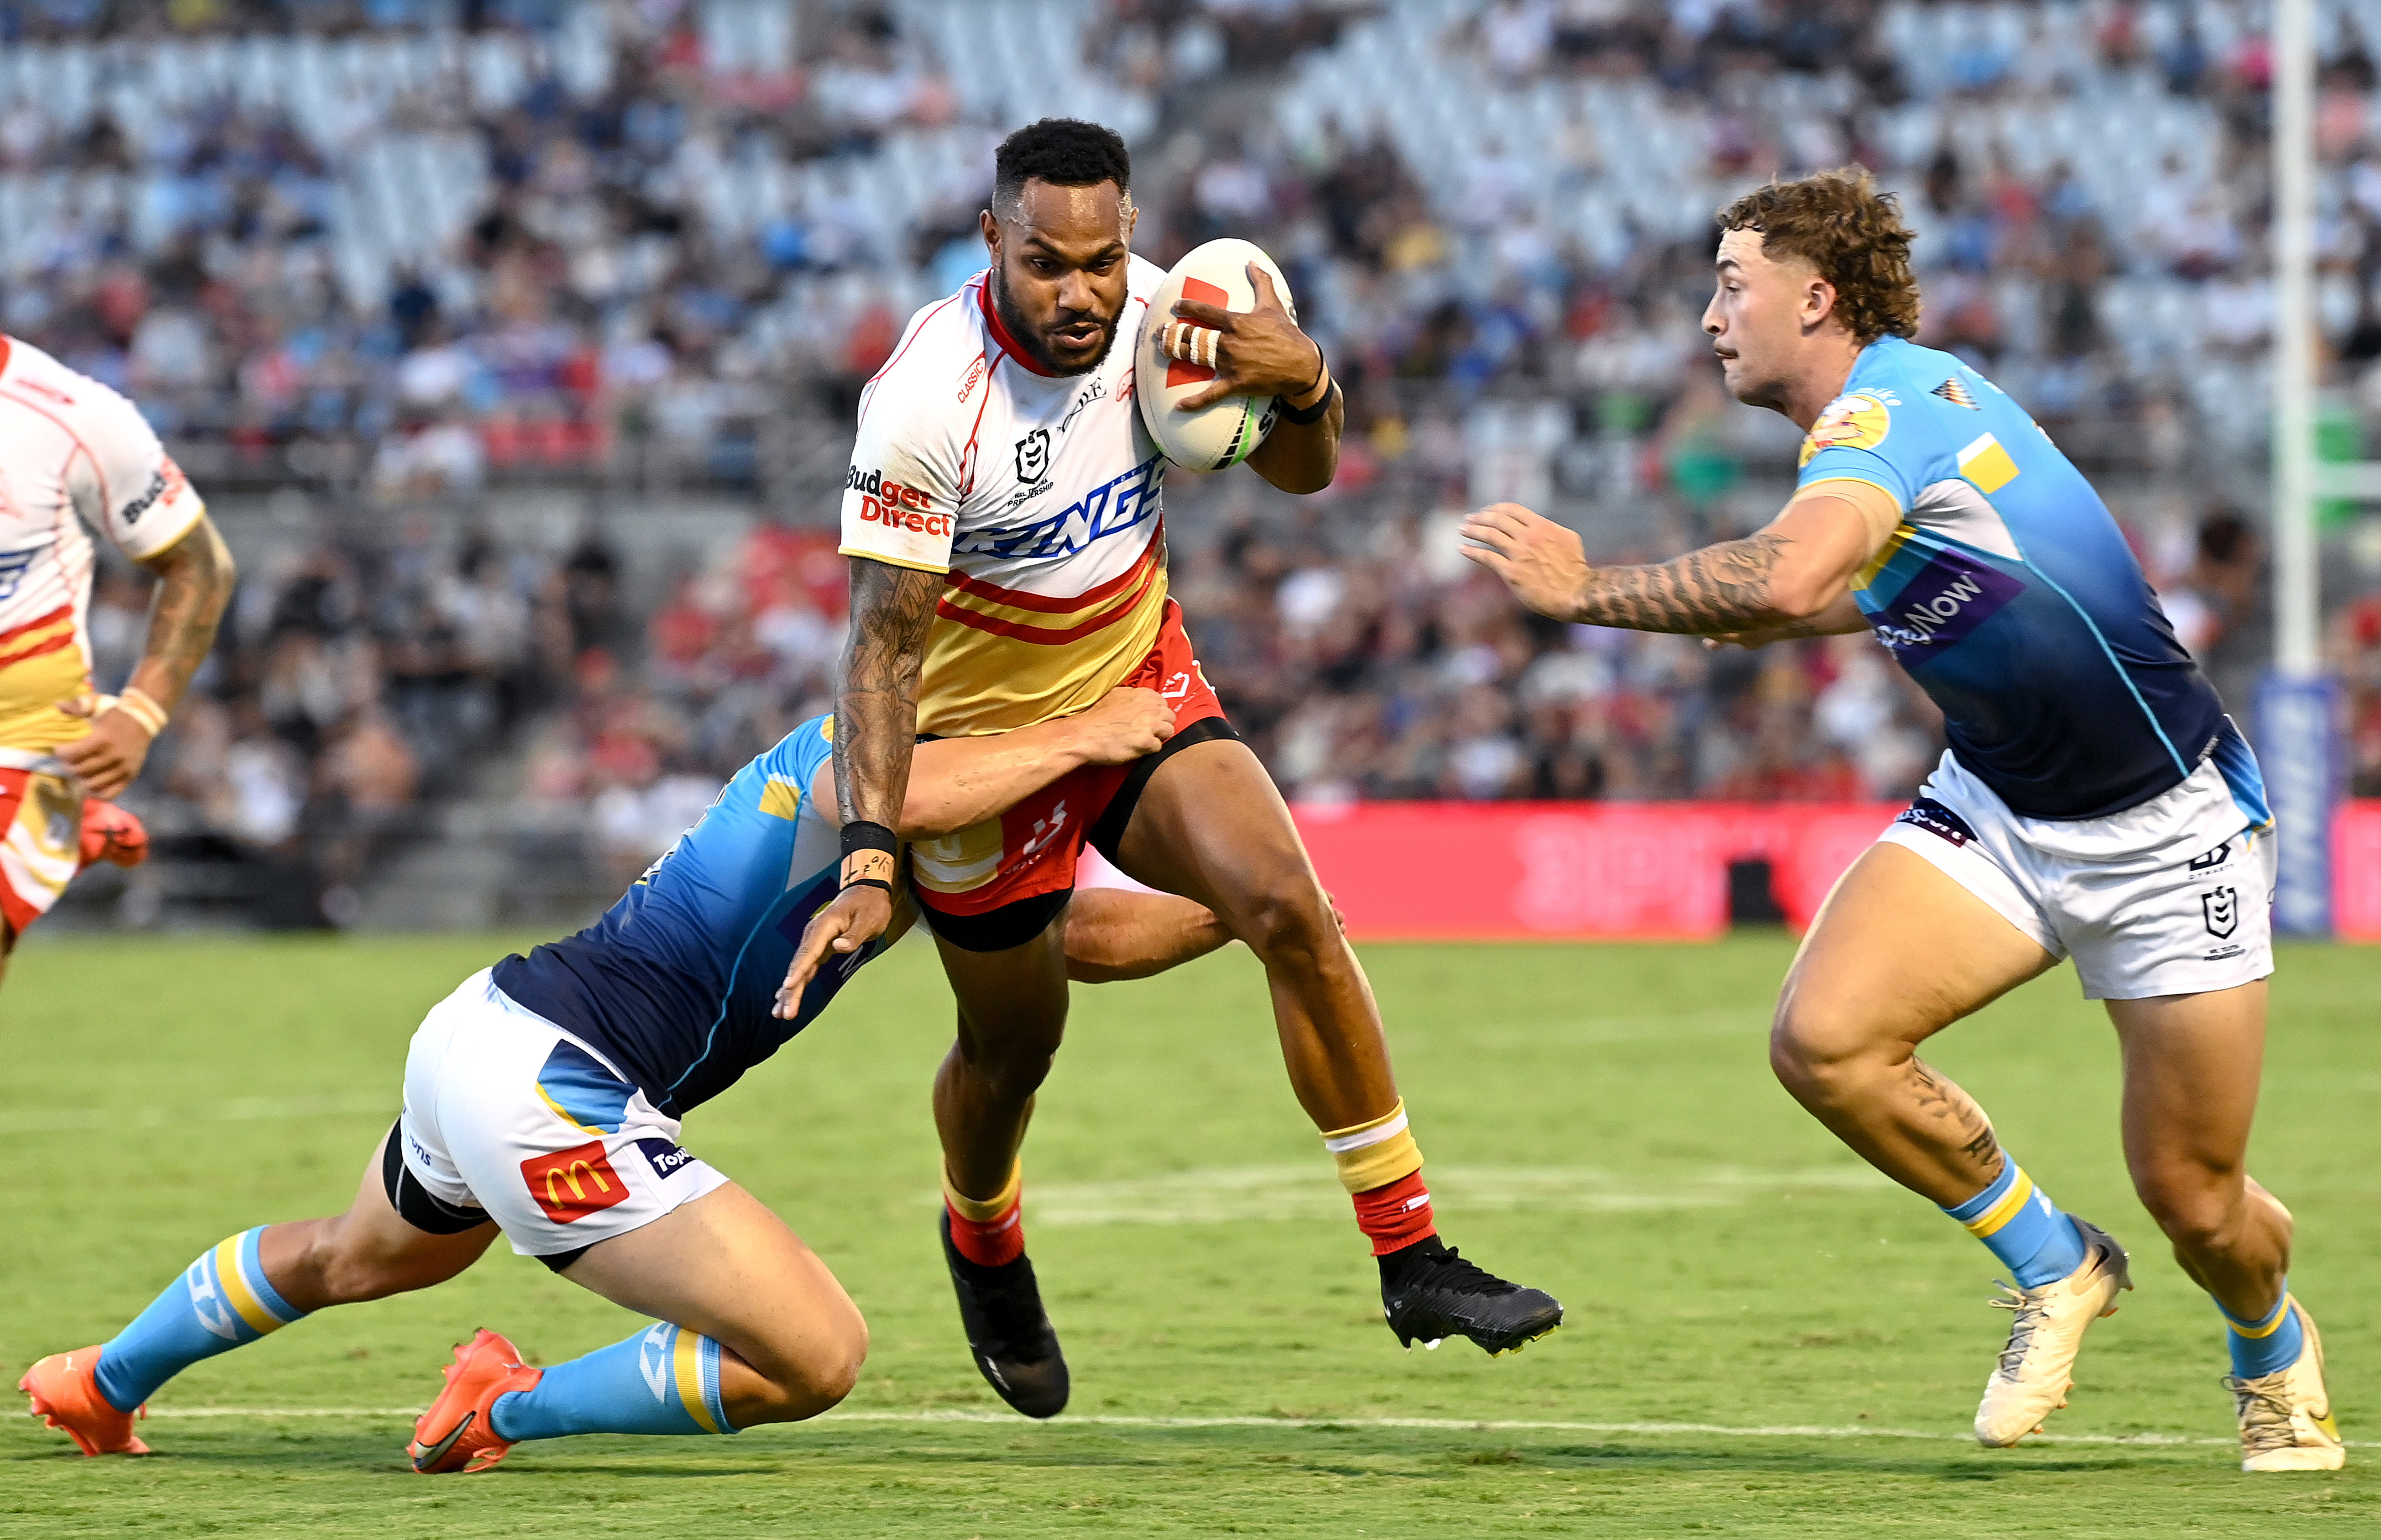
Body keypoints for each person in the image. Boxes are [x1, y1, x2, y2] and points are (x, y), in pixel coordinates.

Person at [1457, 167, 2341, 1472]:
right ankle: (2056, 1263)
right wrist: (1706, 601)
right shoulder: (1887, 424)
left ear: (1814, 297)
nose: (1708, 316)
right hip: (1999, 802)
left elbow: (1798, 572)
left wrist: (1587, 586)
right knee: (1826, 1040)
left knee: (2197, 1201)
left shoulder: (1885, 410)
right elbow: (1837, 594)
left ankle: (2268, 1351)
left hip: (2168, 833)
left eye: (1729, 285)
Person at [790, 118, 1560, 1419]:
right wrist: (875, 853)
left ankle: (1409, 1253)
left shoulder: (1170, 319)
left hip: (1138, 682)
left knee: (1291, 912)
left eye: (1101, 258)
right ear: (992, 240)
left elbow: (1306, 480)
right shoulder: (928, 400)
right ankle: (982, 1233)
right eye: (1046, 264)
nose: (1080, 292)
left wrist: (1308, 379)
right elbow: (879, 642)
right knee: (1014, 1045)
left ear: (1130, 236)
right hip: (993, 747)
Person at [21, 690, 1228, 1470]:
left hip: (484, 1032)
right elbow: (881, 793)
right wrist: (1086, 733)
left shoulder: (944, 806)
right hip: (554, 1082)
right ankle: (501, 1403)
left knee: (364, 1252)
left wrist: (1242, 909)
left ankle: (102, 1379)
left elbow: (1063, 938)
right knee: (816, 1354)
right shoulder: (874, 751)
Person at [0, 335, 238, 985]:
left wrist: (140, 713)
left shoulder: (69, 416)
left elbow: (198, 564)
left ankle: (48, 817)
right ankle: (67, 835)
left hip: (20, 737)